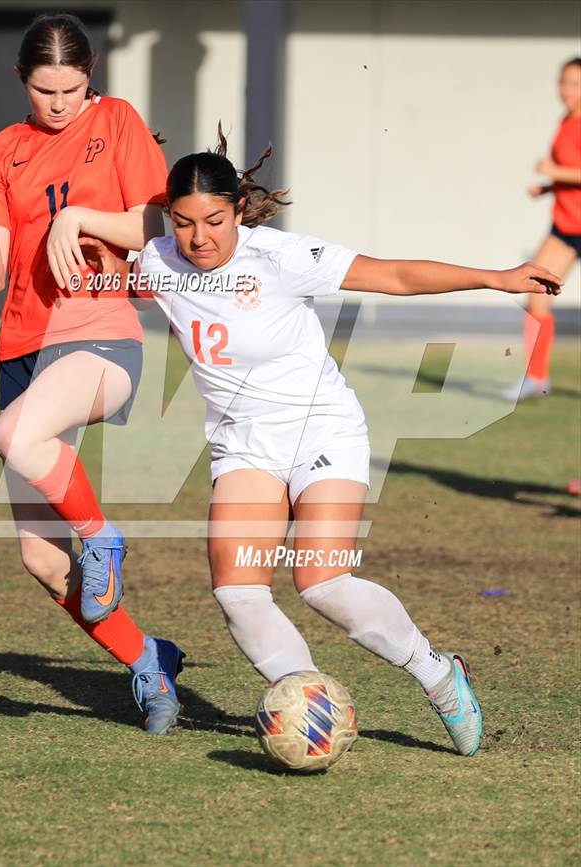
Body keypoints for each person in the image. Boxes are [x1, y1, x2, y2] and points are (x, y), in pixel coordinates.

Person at [83, 129, 562, 755]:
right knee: (239, 592)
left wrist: (497, 277)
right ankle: (306, 703)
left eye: (215, 220)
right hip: (245, 444)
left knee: (322, 581)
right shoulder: (160, 260)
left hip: (321, 428)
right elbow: (110, 266)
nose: (199, 238)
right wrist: (81, 241)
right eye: (183, 222)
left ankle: (441, 677)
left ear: (237, 210)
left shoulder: (280, 257)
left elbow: (392, 274)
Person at [0, 12, 183, 735]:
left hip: (99, 328)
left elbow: (154, 225)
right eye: (45, 90)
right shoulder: (3, 150)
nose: (59, 103)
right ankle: (148, 660)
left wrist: (75, 216)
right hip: (22, 345)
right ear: (23, 80)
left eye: (71, 89)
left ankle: (104, 537)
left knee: (14, 432)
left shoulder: (117, 121)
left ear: (93, 77)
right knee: (44, 561)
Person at [504, 57, 581, 401]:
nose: (566, 90)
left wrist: (553, 171)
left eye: (575, 84)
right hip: (567, 225)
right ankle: (536, 379)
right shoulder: (565, 121)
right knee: (536, 291)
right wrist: (548, 187)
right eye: (563, 82)